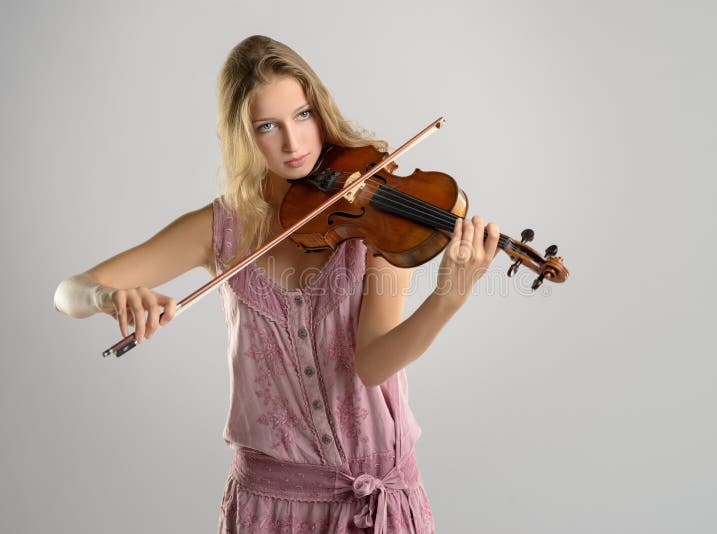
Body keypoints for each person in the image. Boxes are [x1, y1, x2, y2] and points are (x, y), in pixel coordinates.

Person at [53, 35, 499, 533]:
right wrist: (108, 296)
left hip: (375, 504)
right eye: (268, 126)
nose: (293, 143)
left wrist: (448, 297)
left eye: (303, 115)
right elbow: (68, 292)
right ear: (242, 135)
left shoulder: (373, 204)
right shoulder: (219, 228)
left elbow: (372, 365)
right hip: (271, 509)